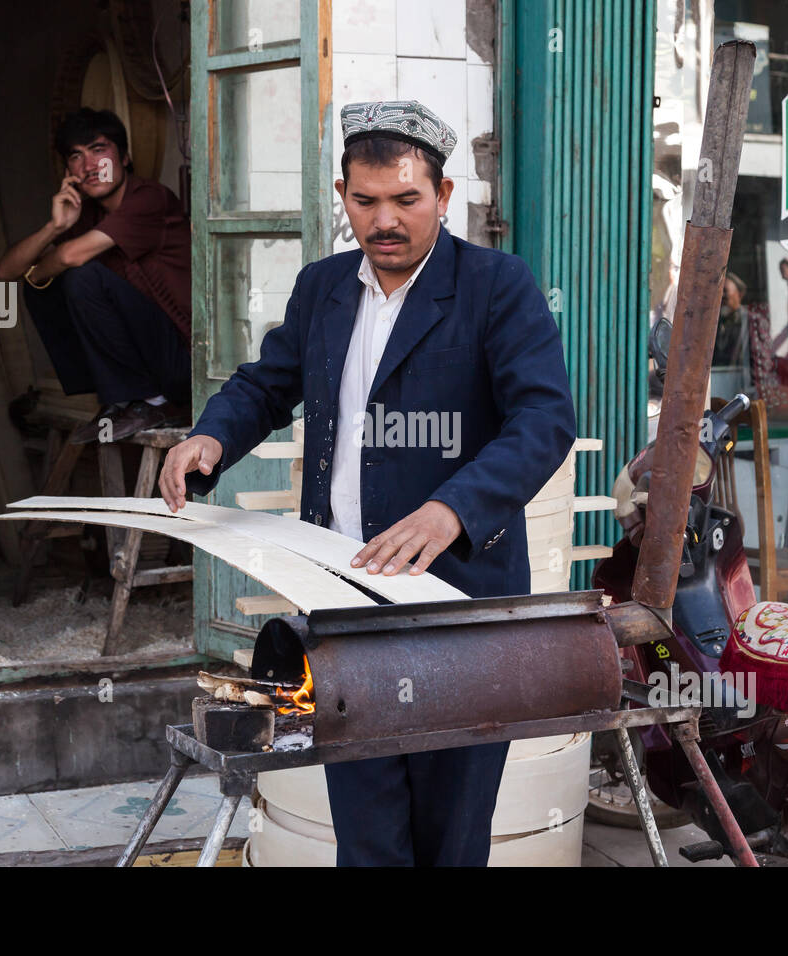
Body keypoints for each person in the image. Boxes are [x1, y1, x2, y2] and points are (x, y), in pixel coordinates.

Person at [157, 100, 577, 866]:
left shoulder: (496, 287)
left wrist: (453, 508)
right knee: (369, 832)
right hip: (343, 609)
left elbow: (544, 419)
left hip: (459, 613)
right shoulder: (324, 289)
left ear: (444, 197)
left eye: (407, 200)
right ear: (344, 197)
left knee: (451, 837)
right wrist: (210, 436)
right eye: (365, 201)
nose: (385, 221)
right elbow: (266, 382)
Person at [0, 108, 194, 443]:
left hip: (184, 360)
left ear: (126, 156)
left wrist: (44, 267)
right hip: (148, 357)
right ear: (68, 170)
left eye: (99, 150)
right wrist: (54, 227)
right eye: (77, 156)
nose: (90, 166)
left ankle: (153, 402)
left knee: (77, 276)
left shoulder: (149, 198)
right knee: (43, 287)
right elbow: (6, 273)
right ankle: (121, 400)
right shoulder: (86, 215)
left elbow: (69, 256)